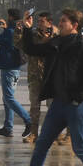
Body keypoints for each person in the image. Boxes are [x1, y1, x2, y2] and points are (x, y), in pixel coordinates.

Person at [6, 8, 83, 166]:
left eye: (63, 21)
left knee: (79, 147)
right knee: (42, 143)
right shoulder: (57, 44)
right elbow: (32, 50)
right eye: (60, 21)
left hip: (77, 105)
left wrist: (78, 97)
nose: (59, 24)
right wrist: (27, 29)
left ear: (74, 25)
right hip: (58, 104)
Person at [0, 7, 32, 138]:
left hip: (9, 68)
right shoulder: (17, 29)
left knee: (9, 98)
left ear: (10, 17)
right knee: (7, 98)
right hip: (14, 68)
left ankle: (28, 120)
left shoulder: (9, 32)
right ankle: (8, 127)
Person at [26, 11, 54, 142]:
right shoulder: (33, 35)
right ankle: (33, 133)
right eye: (38, 21)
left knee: (52, 107)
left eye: (42, 21)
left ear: (49, 22)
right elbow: (27, 47)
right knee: (34, 106)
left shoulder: (57, 35)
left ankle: (53, 133)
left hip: (51, 76)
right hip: (35, 75)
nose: (39, 24)